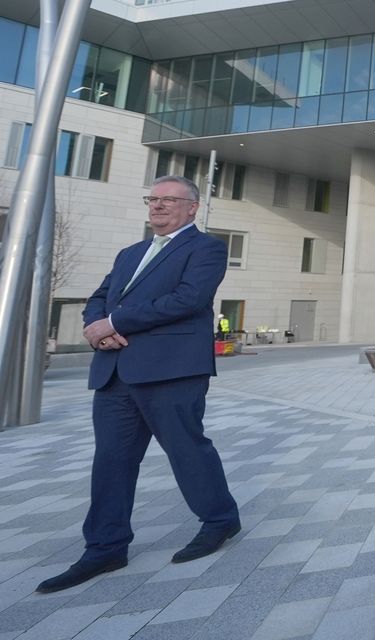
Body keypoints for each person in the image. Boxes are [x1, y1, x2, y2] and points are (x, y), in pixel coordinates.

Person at [37, 176, 241, 594]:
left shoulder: (206, 248)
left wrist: (116, 322)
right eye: (153, 199)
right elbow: (100, 296)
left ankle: (220, 520)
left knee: (187, 451)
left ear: (192, 208)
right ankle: (105, 547)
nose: (158, 207)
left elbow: (188, 299)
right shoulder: (130, 252)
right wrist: (98, 327)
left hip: (171, 370)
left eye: (169, 200)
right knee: (111, 461)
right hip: (115, 371)